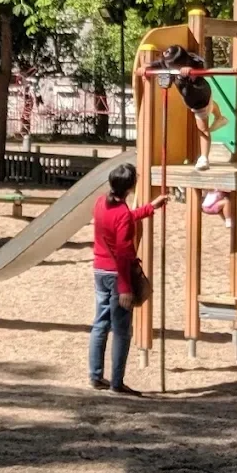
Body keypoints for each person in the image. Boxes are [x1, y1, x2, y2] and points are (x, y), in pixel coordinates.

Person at [89, 162, 168, 396]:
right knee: (122, 330)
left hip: (100, 270)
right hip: (117, 275)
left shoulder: (101, 202)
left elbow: (120, 220)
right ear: (131, 186)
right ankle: (117, 382)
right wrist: (125, 288)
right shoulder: (122, 212)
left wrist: (148, 209)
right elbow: (123, 253)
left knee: (100, 324)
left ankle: (95, 375)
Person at [147, 45, 228, 172]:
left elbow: (201, 64)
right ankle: (220, 117)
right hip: (192, 99)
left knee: (203, 128)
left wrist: (190, 69)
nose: (170, 67)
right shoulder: (168, 63)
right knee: (210, 107)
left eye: (174, 66)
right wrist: (145, 68)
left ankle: (204, 158)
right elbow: (157, 64)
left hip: (199, 99)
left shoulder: (193, 62)